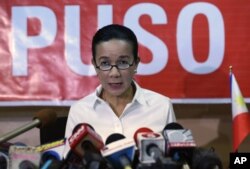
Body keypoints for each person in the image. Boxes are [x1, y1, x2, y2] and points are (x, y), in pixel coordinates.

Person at [63, 24, 176, 158]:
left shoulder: (162, 106)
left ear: (136, 63)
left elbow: (174, 161)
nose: (114, 73)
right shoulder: (80, 111)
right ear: (95, 65)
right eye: (105, 63)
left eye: (123, 62)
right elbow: (69, 163)